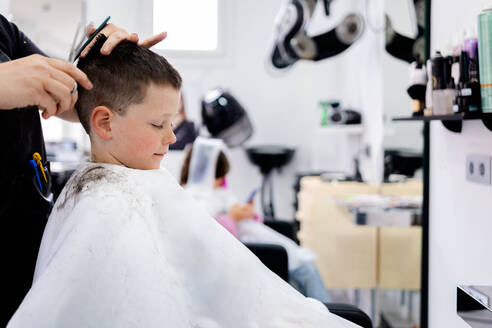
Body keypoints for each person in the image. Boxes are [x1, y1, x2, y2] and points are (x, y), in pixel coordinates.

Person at [8, 36, 357, 328]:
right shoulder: (110, 204)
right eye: (159, 124)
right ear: (105, 123)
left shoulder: (126, 187)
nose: (172, 137)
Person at [0, 14, 166, 325]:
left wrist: (115, 74)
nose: (169, 137)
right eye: (159, 124)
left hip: (26, 260)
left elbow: (73, 96)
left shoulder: (3, 32)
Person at [180, 138, 331, 303]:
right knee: (305, 269)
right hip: (249, 253)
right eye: (220, 176)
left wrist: (248, 213)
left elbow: (238, 216)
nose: (222, 181)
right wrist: (233, 218)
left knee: (306, 267)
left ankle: (325, 311)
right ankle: (327, 314)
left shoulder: (218, 193)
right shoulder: (195, 198)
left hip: (255, 243)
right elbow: (211, 237)